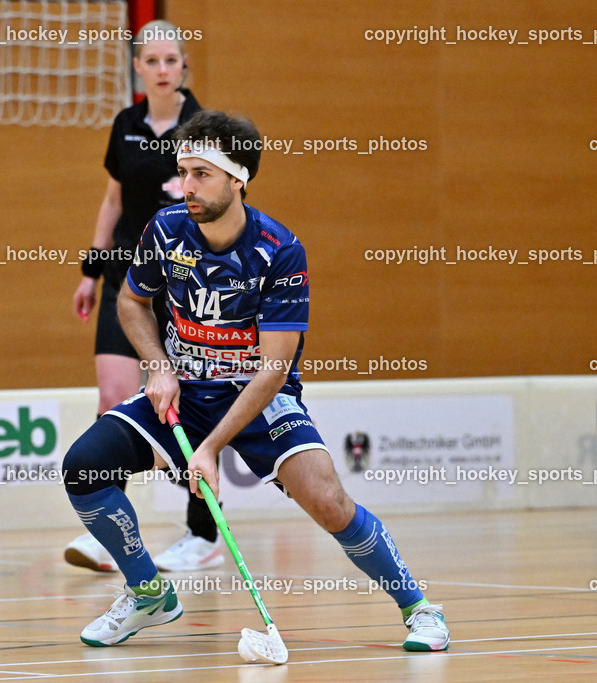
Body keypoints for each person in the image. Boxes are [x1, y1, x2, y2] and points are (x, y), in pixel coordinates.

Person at [62, 110, 450, 652]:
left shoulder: (280, 251)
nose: (185, 186)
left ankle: (419, 609)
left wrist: (210, 450)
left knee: (329, 501)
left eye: (201, 174)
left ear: (237, 177)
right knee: (84, 466)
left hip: (259, 396)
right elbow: (131, 301)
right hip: (185, 390)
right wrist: (158, 363)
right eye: (183, 171)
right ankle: (148, 593)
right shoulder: (167, 228)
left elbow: (275, 367)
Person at [66, 20, 224, 574]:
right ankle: (110, 526)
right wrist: (91, 268)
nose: (162, 70)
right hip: (123, 278)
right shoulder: (125, 124)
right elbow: (112, 199)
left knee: (184, 407)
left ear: (184, 65)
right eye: (151, 61)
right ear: (138, 67)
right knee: (112, 398)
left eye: (171, 61)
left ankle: (203, 532)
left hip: (181, 278)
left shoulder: (201, 128)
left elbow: (224, 200)